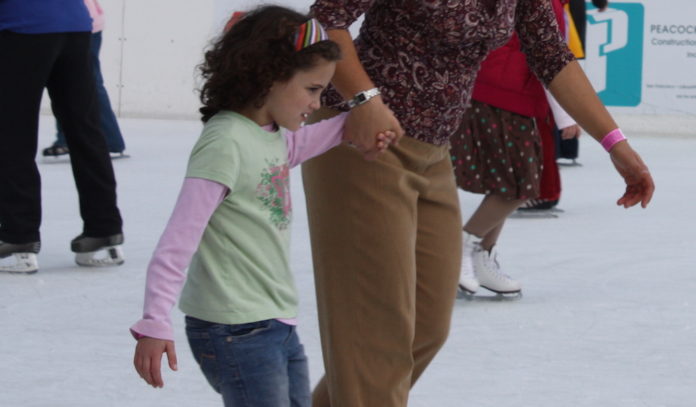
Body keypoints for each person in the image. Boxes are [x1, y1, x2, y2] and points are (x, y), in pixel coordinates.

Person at [302, 1, 654, 406]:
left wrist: (614, 143)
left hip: (432, 152)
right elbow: (327, 19)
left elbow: (552, 54)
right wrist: (365, 100)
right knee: (375, 333)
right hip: (363, 139)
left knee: (424, 328)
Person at [130, 7, 393, 407]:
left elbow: (300, 145)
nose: (316, 102)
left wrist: (356, 121)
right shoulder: (225, 143)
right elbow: (177, 242)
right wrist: (154, 322)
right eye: (311, 89)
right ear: (269, 76)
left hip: (275, 321)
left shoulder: (267, 134)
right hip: (234, 327)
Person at [453, 0, 580, 295]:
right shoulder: (548, 6)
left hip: (508, 96)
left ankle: (482, 255)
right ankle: (465, 243)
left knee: (508, 183)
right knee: (520, 185)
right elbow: (553, 64)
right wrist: (566, 115)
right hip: (502, 97)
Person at [0, 0, 125, 274]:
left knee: (12, 135)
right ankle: (104, 230)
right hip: (75, 24)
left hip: (22, 25)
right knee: (85, 130)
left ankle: (18, 238)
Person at [42, 0, 128, 160]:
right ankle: (67, 139)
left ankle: (110, 141)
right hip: (70, 22)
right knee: (63, 82)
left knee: (88, 83)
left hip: (81, 23)